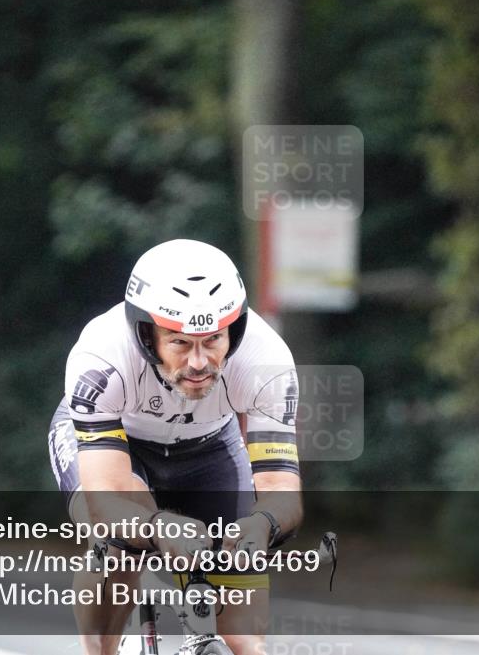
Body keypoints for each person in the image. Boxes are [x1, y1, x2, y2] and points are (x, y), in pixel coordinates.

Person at [48, 239, 302, 655]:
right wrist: (156, 528)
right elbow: (106, 501)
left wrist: (263, 524)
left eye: (213, 340)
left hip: (210, 448)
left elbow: (280, 489)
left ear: (235, 330)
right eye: (180, 342)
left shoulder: (267, 361)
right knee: (117, 550)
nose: (199, 362)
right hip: (118, 445)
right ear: (146, 335)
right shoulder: (102, 357)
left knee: (244, 637)